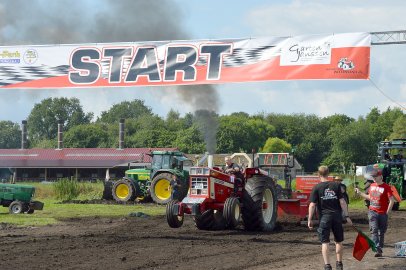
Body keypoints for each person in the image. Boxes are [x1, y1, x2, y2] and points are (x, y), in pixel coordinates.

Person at [308, 166, 352, 270]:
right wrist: (346, 216)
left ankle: (327, 266)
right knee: (339, 241)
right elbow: (342, 202)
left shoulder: (317, 187)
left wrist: (309, 219)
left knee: (325, 242)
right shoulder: (336, 185)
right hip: (337, 217)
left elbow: (312, 205)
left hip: (324, 218)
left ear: (318, 175)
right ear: (328, 174)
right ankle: (339, 264)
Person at [355, 166, 395, 257]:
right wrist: (360, 193)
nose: (373, 178)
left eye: (375, 176)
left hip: (382, 213)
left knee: (381, 232)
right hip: (372, 212)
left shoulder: (386, 187)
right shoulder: (372, 186)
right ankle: (377, 248)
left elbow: (392, 200)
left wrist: (387, 212)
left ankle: (380, 248)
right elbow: (370, 197)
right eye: (372, 176)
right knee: (374, 230)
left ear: (380, 176)